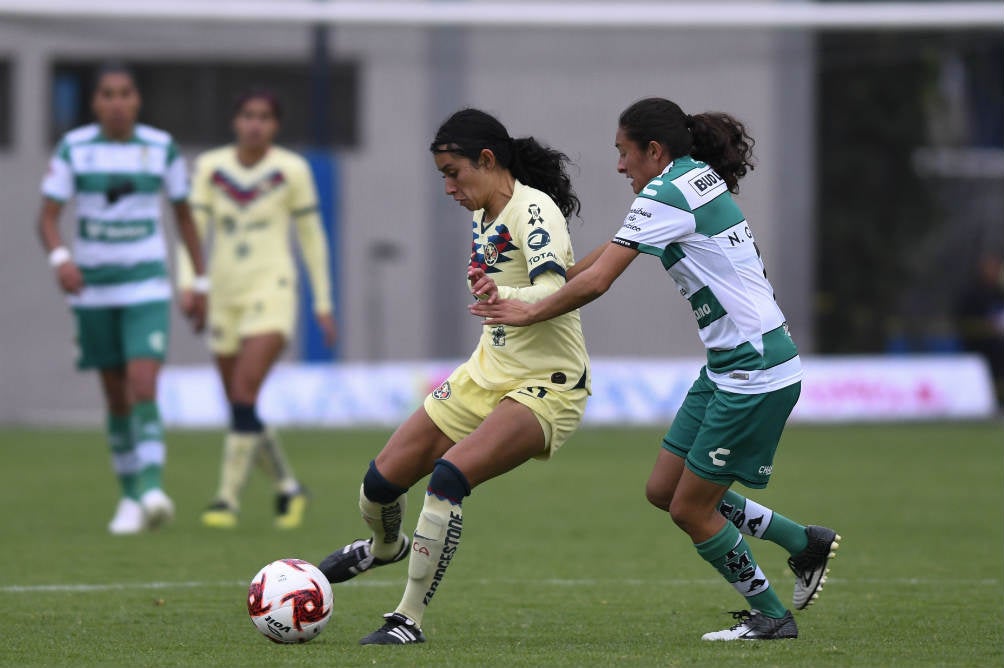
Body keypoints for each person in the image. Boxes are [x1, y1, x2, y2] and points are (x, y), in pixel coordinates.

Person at [470, 97, 840, 641]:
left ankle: (771, 615)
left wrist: (529, 310)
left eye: (624, 153)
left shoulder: (664, 192)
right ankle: (801, 542)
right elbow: (610, 251)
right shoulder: (688, 179)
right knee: (665, 488)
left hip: (753, 372)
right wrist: (558, 274)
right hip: (729, 366)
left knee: (691, 509)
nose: (619, 165)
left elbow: (600, 282)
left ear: (654, 150)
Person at [317, 108, 590, 645]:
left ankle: (407, 620)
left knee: (448, 478)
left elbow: (554, 291)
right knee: (379, 486)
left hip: (546, 384)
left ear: (486, 161)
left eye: (452, 173)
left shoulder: (534, 212)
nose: (447, 187)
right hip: (484, 373)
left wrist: (503, 294)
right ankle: (383, 549)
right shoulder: (482, 211)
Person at [38, 62, 207, 535]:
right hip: (92, 290)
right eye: (107, 94)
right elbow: (47, 217)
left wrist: (198, 281)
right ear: (96, 103)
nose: (116, 102)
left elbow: (184, 218)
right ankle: (130, 498)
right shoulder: (75, 149)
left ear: (137, 100)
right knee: (115, 397)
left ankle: (153, 488)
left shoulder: (159, 148)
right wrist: (61, 259)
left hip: (145, 285)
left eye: (125, 93)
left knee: (142, 383)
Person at [175, 88, 337, 530]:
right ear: (235, 121)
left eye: (264, 117)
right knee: (240, 406)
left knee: (245, 393)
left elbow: (311, 237)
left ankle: (226, 499)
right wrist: (190, 284)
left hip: (273, 288)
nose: (255, 124)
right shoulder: (210, 168)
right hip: (224, 294)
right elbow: (193, 230)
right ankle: (288, 487)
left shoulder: (291, 169)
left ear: (275, 125)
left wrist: (323, 301)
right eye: (247, 115)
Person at [954, 253, 1004, 408]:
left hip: (998, 345)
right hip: (977, 345)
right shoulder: (972, 293)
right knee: (984, 374)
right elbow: (962, 317)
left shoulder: (998, 293)